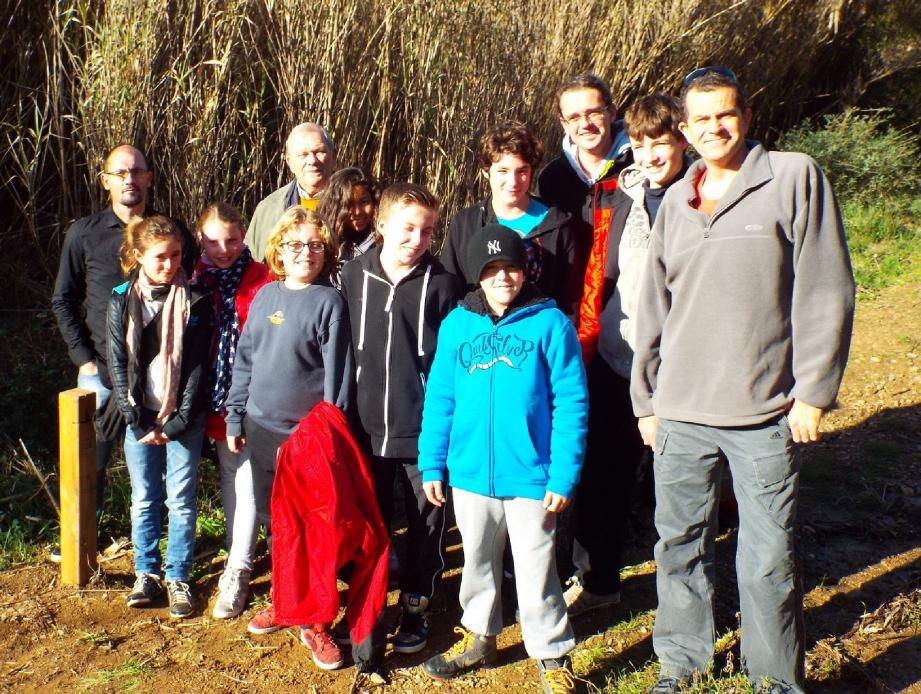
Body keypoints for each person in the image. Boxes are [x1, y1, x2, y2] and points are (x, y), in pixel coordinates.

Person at [631, 67, 855, 694]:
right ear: (685, 127)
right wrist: (645, 400)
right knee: (678, 547)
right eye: (699, 119)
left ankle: (775, 678)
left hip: (763, 411)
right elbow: (653, 307)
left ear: (748, 116)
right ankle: (681, 663)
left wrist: (813, 391)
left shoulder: (791, 178)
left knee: (766, 560)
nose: (713, 128)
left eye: (724, 114)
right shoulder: (675, 199)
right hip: (679, 411)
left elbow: (826, 288)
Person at [418, 225, 588, 694]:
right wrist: (433, 462)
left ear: (525, 269)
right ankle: (479, 636)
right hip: (470, 474)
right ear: (477, 274)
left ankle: (552, 653)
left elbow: (571, 402)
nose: (502, 277)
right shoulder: (458, 325)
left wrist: (563, 473)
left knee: (536, 568)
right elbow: (440, 398)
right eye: (491, 269)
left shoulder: (550, 324)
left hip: (532, 476)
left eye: (510, 267)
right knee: (476, 559)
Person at [563, 94, 690, 616]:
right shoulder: (619, 192)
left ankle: (683, 597)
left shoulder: (704, 192)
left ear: (683, 139)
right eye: (641, 143)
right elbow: (602, 272)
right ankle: (601, 579)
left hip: (685, 362)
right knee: (605, 472)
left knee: (680, 481)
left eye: (662, 142)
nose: (652, 153)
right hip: (621, 357)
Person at [224, 205, 354, 669]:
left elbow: (338, 382)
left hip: (308, 439)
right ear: (278, 249)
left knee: (316, 531)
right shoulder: (264, 297)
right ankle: (285, 603)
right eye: (295, 244)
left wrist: (326, 437)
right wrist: (236, 417)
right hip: (261, 430)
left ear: (327, 254)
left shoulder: (329, 303)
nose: (306, 253)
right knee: (278, 525)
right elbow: (245, 361)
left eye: (315, 246)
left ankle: (316, 621)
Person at [339, 182, 460, 655]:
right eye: (408, 228)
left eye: (427, 231)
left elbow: (451, 367)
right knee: (371, 525)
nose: (417, 238)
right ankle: (365, 610)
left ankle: (417, 603)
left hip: (422, 434)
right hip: (365, 431)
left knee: (427, 524)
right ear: (382, 225)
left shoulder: (444, 285)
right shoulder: (352, 276)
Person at [52, 145, 195, 527]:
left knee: (158, 462)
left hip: (159, 373)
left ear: (149, 177)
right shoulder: (84, 234)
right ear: (105, 182)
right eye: (120, 173)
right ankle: (83, 541)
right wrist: (84, 359)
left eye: (136, 171)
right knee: (89, 461)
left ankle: (157, 545)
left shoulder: (170, 231)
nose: (129, 179)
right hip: (100, 369)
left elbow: (193, 293)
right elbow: (63, 300)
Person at [106, 215, 214, 619]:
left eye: (176, 256)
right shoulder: (120, 298)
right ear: (138, 256)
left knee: (181, 501)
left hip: (183, 418)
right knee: (144, 499)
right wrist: (134, 418)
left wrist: (177, 422)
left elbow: (198, 367)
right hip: (139, 413)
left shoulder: (197, 299)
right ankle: (146, 572)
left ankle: (178, 575)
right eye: (160, 258)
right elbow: (118, 361)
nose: (170, 265)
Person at [191, 203, 271, 619]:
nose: (224, 250)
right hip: (211, 395)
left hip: (254, 395)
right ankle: (236, 546)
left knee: (248, 479)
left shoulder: (264, 278)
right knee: (229, 472)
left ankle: (238, 568)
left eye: (233, 240)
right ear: (199, 238)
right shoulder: (192, 278)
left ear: (245, 237)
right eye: (213, 241)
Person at [440, 122, 579, 316]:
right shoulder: (466, 224)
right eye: (503, 171)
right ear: (486, 172)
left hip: (539, 335)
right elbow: (451, 289)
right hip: (480, 337)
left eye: (522, 171)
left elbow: (569, 298)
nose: (513, 182)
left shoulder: (557, 225)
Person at [245, 123, 337, 262]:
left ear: (333, 155)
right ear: (290, 162)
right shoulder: (269, 209)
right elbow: (252, 265)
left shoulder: (356, 204)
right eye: (303, 155)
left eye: (319, 151)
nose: (312, 160)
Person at [317, 166, 382, 269]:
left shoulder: (385, 242)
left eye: (364, 202)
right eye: (349, 204)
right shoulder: (324, 245)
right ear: (335, 208)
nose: (357, 212)